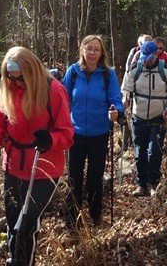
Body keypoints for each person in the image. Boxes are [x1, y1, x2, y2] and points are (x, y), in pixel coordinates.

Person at [0, 47, 73, 266]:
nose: (17, 83)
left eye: (21, 79)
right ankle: (16, 259)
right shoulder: (7, 89)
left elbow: (66, 133)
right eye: (12, 78)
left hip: (43, 167)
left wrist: (50, 139)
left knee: (26, 225)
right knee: (12, 221)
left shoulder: (54, 91)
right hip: (12, 165)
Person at [61, 34, 125, 227]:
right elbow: (63, 99)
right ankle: (73, 221)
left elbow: (116, 99)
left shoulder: (107, 74)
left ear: (101, 53)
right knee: (74, 179)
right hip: (75, 134)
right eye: (89, 48)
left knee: (95, 179)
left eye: (96, 49)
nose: (92, 53)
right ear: (82, 50)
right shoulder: (72, 72)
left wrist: (116, 112)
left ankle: (96, 217)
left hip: (99, 133)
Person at [121, 40, 167, 197]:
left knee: (154, 152)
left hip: (157, 118)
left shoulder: (166, 70)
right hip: (138, 117)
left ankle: (153, 183)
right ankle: (141, 185)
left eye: (149, 56)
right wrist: (125, 100)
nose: (146, 60)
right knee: (139, 153)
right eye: (143, 56)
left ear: (156, 54)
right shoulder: (135, 69)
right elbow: (126, 88)